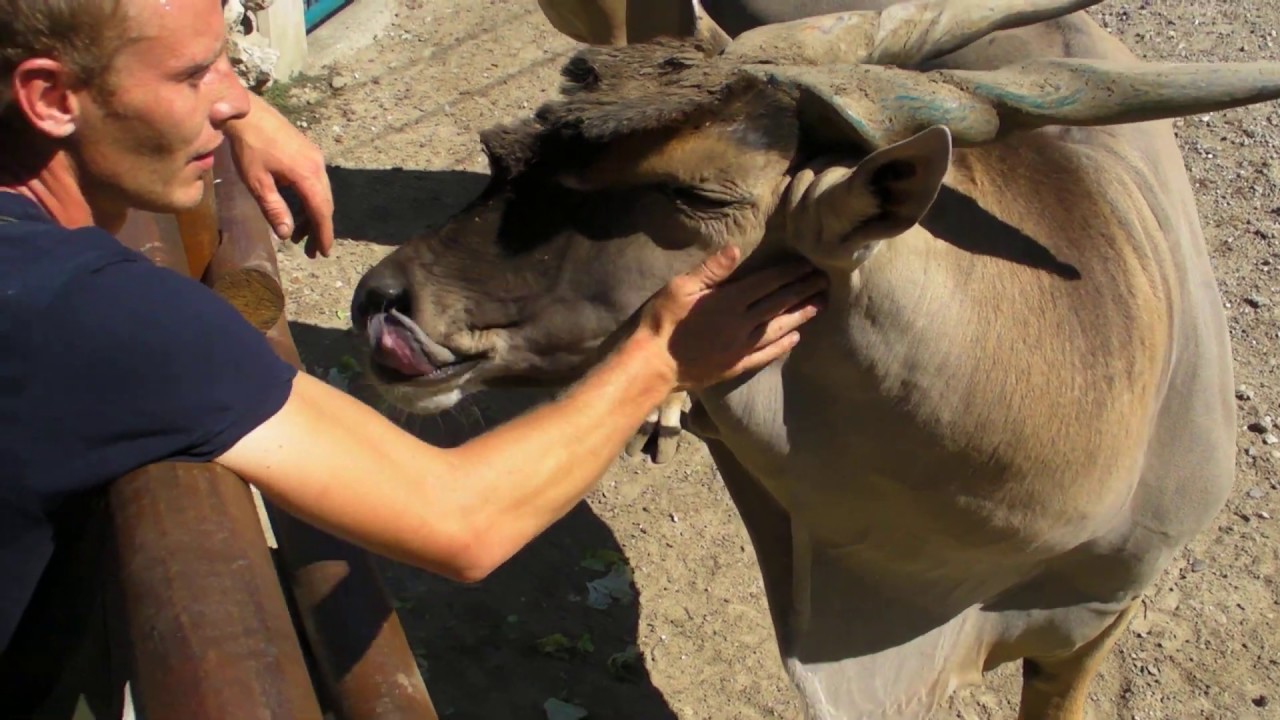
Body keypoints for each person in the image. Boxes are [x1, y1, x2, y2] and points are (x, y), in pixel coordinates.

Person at [0, 0, 828, 717]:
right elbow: (460, 519)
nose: (226, 99)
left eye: (229, 59)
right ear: (48, 97)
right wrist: (661, 358)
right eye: (192, 77)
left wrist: (237, 108)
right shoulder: (101, 318)